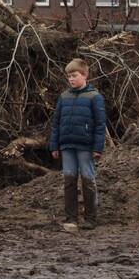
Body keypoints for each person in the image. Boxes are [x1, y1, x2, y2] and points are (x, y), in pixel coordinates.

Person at [48, 58, 106, 230]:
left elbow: (100, 124)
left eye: (74, 75)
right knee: (69, 180)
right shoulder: (64, 97)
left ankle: (91, 218)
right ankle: (71, 218)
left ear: (84, 75)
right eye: (69, 77)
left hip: (85, 146)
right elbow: (56, 122)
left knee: (88, 180)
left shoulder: (94, 97)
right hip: (67, 146)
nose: (71, 79)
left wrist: (97, 147)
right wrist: (54, 145)